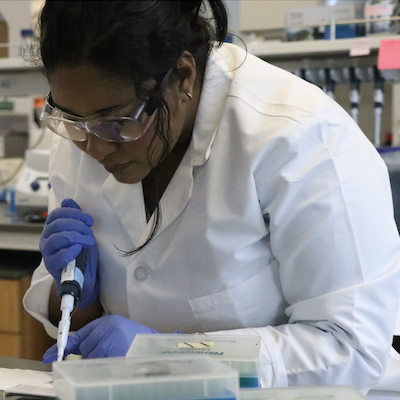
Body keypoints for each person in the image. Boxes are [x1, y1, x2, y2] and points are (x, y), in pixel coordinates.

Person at [23, 0, 400, 392]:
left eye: (118, 122)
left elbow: (349, 348)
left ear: (183, 76)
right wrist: (77, 299)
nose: (94, 147)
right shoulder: (87, 124)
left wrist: (167, 357)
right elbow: (85, 318)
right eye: (69, 118)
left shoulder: (299, 138)